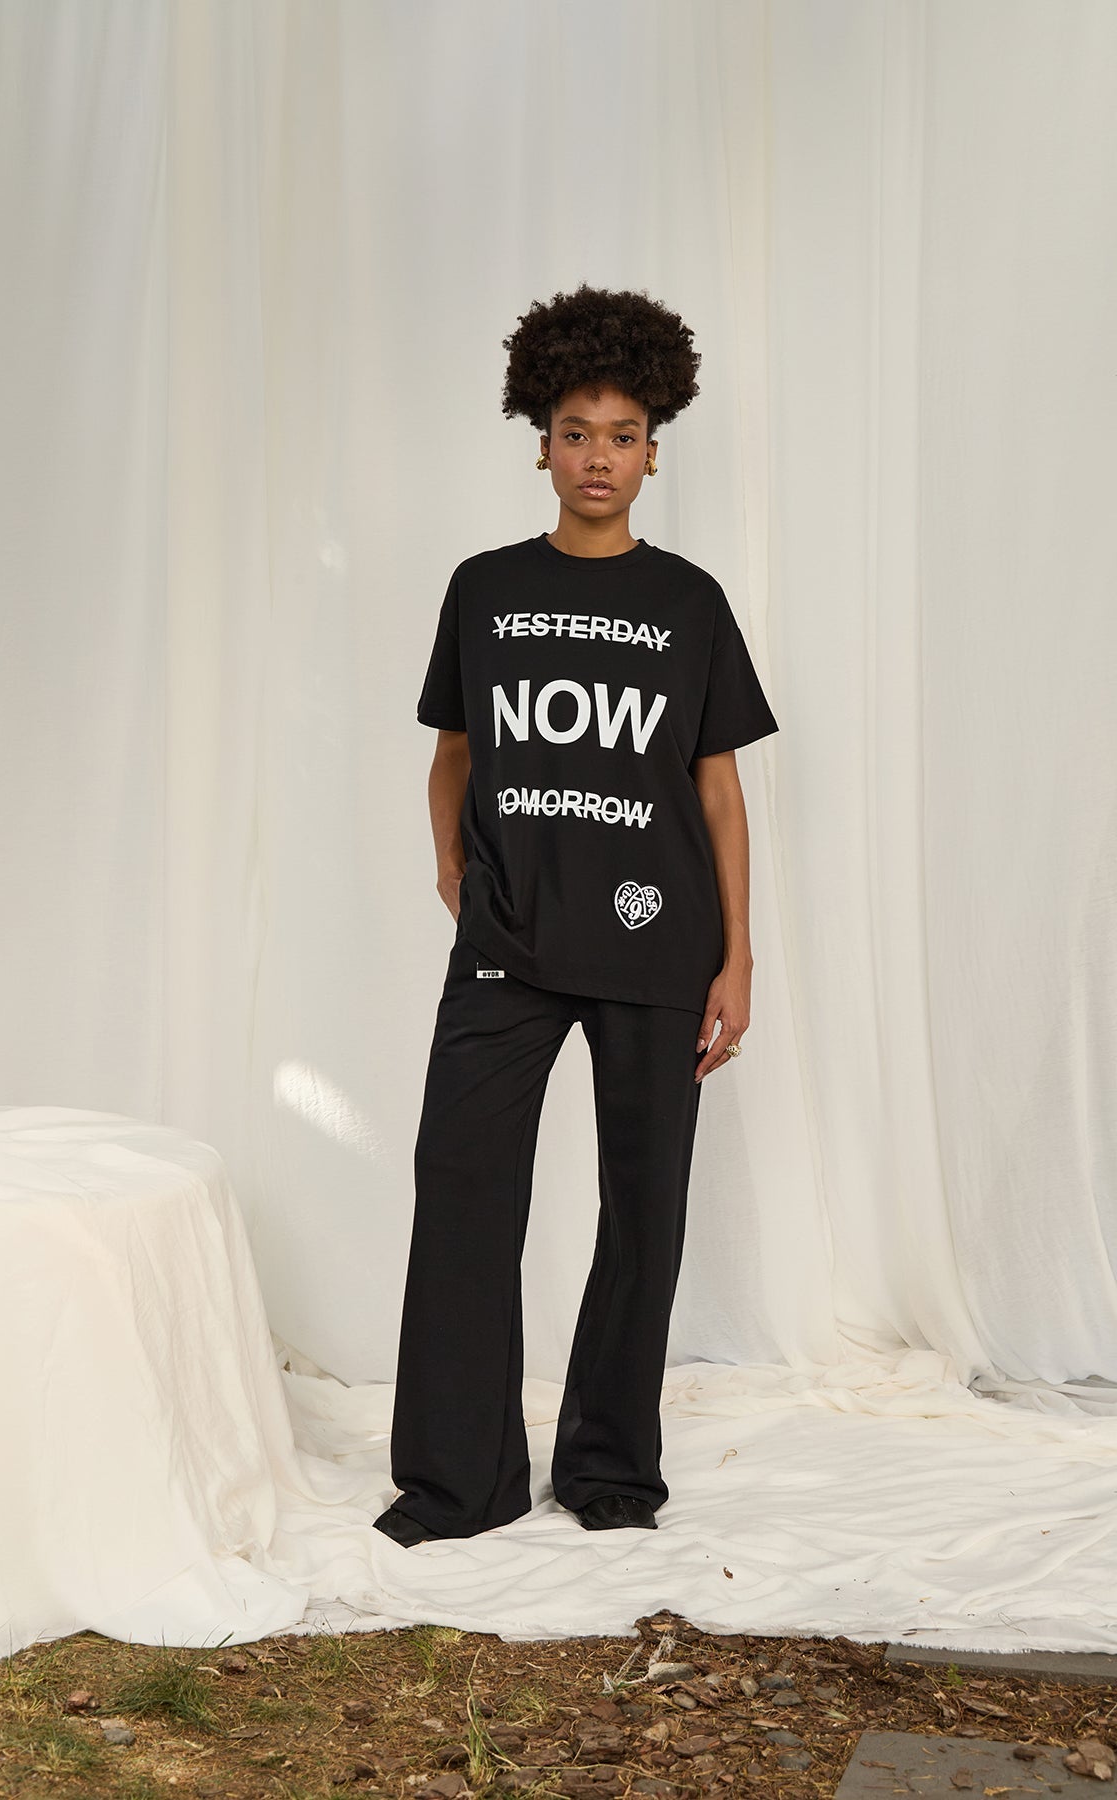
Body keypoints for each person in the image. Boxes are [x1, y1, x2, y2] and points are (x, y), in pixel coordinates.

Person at [373, 282, 779, 1547]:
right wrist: (454, 870)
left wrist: (738, 957)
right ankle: (458, 1484)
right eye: (574, 432)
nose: (597, 455)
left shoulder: (691, 603)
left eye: (622, 435)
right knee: (463, 1191)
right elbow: (454, 755)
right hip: (509, 943)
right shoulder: (484, 590)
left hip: (661, 947)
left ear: (654, 452)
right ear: (539, 443)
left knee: (643, 1211)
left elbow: (717, 790)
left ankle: (608, 1472)